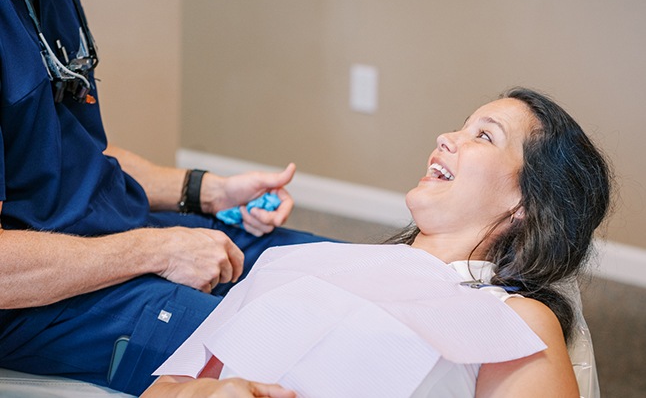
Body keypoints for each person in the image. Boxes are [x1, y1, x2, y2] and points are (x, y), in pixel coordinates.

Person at [0, 0, 327, 395]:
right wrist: (155, 251)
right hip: (37, 299)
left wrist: (209, 191)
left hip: (113, 231)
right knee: (292, 347)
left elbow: (75, 156)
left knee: (322, 269)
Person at [142, 88, 612, 398]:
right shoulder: (296, 262)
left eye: (483, 136)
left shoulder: (516, 320)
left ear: (526, 202)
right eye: (460, 126)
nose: (446, 137)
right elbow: (162, 390)